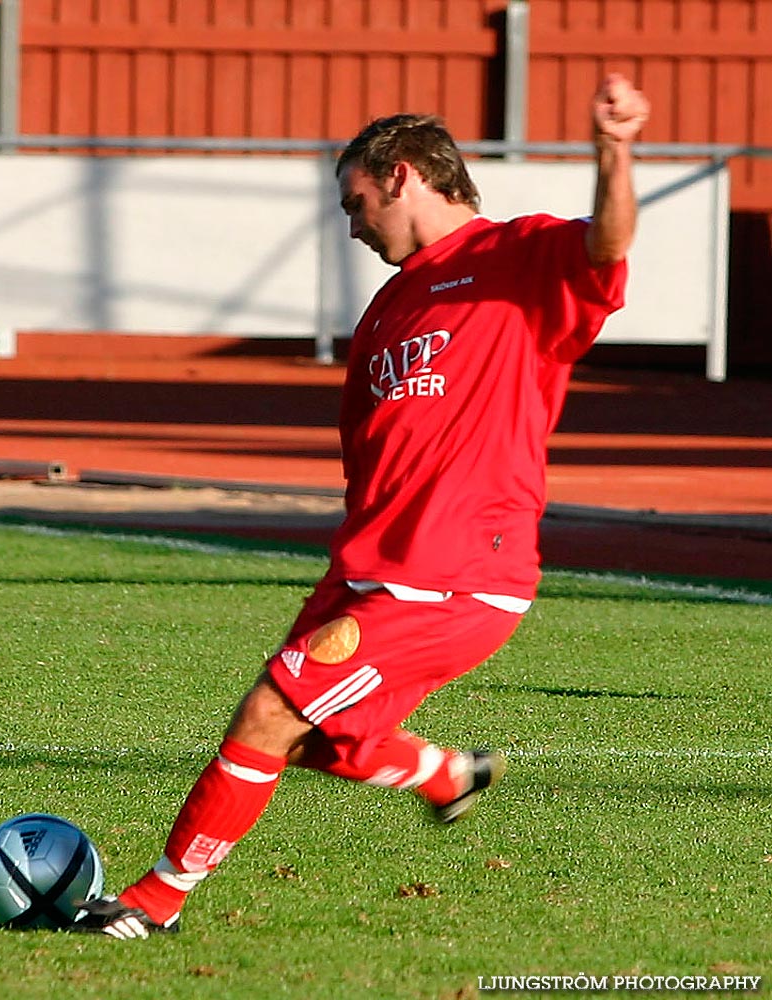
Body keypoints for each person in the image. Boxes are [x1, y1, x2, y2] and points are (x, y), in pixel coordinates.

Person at [76, 73, 651, 940]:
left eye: (354, 202)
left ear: (404, 174)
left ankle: (151, 906)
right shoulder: (390, 306)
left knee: (268, 714)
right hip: (371, 564)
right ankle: (441, 773)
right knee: (294, 735)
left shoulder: (521, 257)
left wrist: (613, 148)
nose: (349, 225)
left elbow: (607, 245)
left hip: (456, 568)